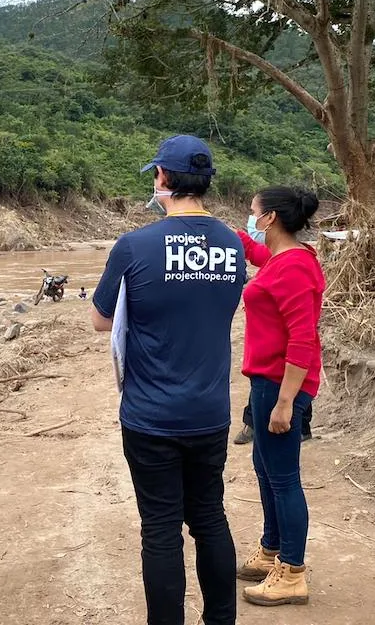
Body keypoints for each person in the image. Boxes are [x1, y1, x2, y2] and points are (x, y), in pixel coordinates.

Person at [92, 134, 246, 625]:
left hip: (150, 415)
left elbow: (101, 320)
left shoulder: (134, 246)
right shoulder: (233, 244)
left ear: (162, 179)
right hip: (209, 412)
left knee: (160, 529)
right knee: (210, 518)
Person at [235, 186, 324, 607]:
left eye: (252, 212)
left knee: (284, 477)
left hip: (280, 384)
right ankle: (272, 549)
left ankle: (292, 571)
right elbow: (259, 257)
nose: (250, 216)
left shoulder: (293, 267)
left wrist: (286, 402)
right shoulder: (284, 258)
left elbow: (303, 339)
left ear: (270, 217)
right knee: (265, 467)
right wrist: (236, 237)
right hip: (267, 381)